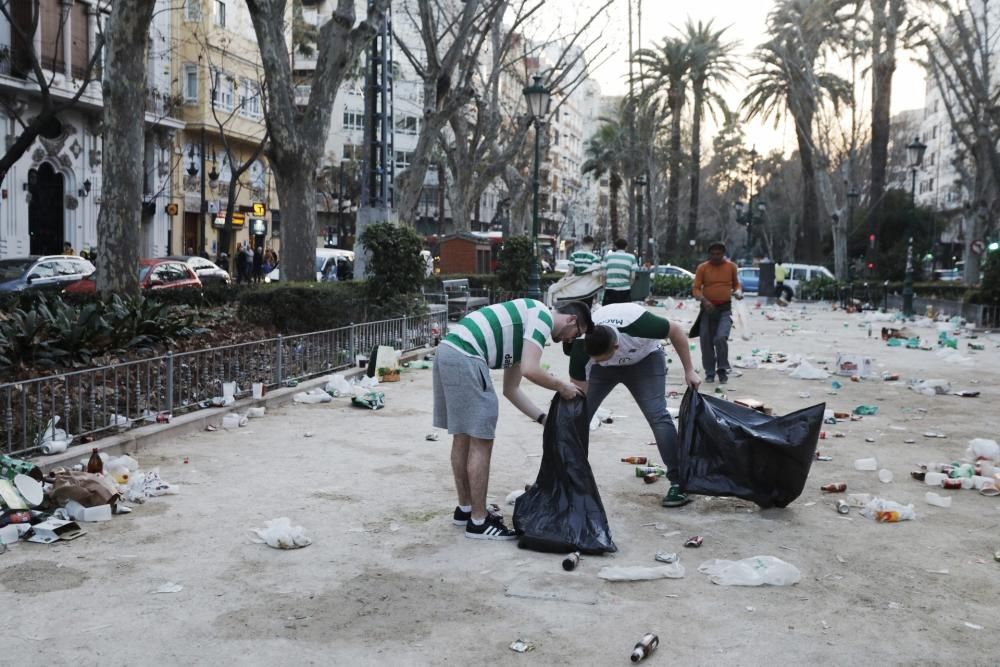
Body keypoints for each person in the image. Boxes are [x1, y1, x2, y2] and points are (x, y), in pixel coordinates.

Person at [433, 299, 593, 541]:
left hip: (450, 351)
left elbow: (512, 389)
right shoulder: (542, 316)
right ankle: (479, 522)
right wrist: (562, 387)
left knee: (463, 435)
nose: (571, 339)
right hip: (467, 355)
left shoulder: (525, 330)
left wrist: (543, 418)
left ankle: (465, 510)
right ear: (571, 319)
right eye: (576, 333)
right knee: (481, 441)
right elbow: (531, 370)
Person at [569, 303, 702, 507]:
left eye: (599, 359)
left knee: (657, 415)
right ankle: (570, 479)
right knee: (579, 417)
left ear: (616, 347)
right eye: (593, 360)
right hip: (603, 373)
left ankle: (680, 481)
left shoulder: (639, 325)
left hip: (645, 360)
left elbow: (675, 331)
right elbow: (577, 396)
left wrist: (689, 370)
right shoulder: (581, 346)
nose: (595, 362)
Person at [692, 242, 742, 384]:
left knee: (720, 338)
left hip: (725, 309)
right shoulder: (703, 268)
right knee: (706, 341)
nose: (715, 256)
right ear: (709, 254)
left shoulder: (731, 267)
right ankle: (709, 372)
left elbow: (736, 284)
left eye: (718, 254)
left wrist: (738, 292)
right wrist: (704, 300)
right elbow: (696, 288)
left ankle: (722, 368)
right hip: (707, 310)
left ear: (723, 254)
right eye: (713, 254)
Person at [602, 238, 637, 305]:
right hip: (625, 290)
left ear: (615, 246)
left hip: (610, 289)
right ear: (626, 247)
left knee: (608, 311)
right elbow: (632, 277)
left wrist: (604, 286)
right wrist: (628, 285)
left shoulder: (607, 257)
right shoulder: (631, 258)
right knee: (623, 312)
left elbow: (604, 275)